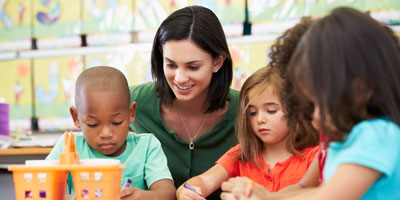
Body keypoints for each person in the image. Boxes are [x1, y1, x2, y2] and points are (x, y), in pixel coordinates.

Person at [220, 7, 400, 200]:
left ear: (359, 89)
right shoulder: (335, 139)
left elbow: (327, 197)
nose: (312, 118)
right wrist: (264, 194)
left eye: (316, 105)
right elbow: (304, 187)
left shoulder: (376, 134)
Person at [129, 5, 239, 199]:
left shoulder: (247, 109)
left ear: (217, 62)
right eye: (171, 64)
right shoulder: (136, 101)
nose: (179, 78)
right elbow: (87, 113)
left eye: (193, 67)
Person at [176, 66, 319, 200]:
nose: (260, 119)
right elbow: (204, 181)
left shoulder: (315, 157)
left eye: (271, 111)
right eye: (252, 112)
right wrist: (186, 191)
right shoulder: (241, 154)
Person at [46, 66, 175, 200]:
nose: (106, 133)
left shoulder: (147, 146)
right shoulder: (68, 146)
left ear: (131, 113)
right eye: (93, 124)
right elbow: (43, 187)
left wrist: (142, 197)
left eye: (117, 122)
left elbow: (167, 193)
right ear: (76, 117)